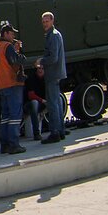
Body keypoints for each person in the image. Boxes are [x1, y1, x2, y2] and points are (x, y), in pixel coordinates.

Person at [0, 24, 26, 154]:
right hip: (12, 84)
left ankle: (4, 145)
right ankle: (14, 144)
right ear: (5, 34)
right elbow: (16, 61)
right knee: (15, 116)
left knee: (5, 117)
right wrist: (18, 52)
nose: (13, 36)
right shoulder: (8, 46)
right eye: (12, 33)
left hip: (2, 86)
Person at [39, 11, 67, 144]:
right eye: (43, 22)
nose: (45, 24)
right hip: (56, 73)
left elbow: (53, 57)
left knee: (52, 104)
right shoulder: (54, 35)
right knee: (56, 102)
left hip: (53, 73)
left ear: (52, 21)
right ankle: (60, 130)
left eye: (47, 21)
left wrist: (41, 61)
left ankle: (55, 132)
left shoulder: (53, 36)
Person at [21, 65, 46, 140]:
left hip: (41, 103)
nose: (40, 70)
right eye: (39, 68)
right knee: (34, 103)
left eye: (42, 68)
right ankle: (36, 133)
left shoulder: (46, 79)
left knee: (58, 101)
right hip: (29, 105)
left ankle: (58, 130)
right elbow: (31, 95)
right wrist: (42, 100)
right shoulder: (31, 79)